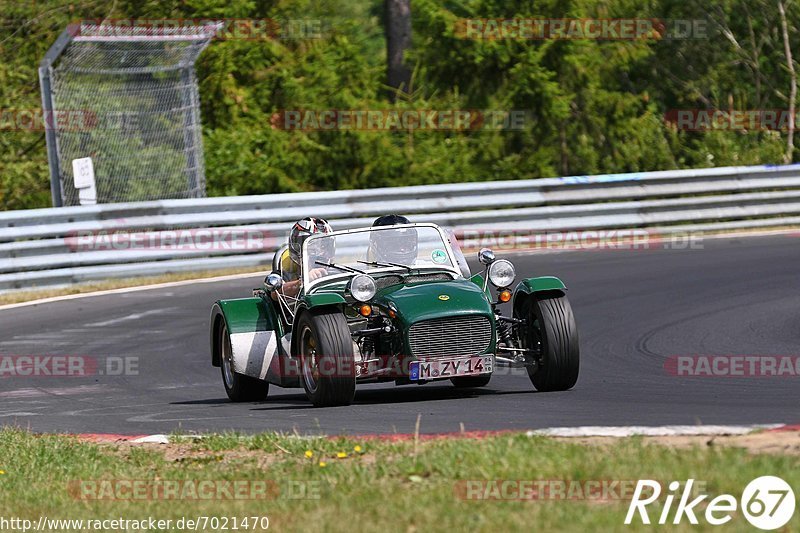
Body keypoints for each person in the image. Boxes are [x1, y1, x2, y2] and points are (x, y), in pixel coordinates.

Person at [273, 217, 333, 300]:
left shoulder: (335, 270)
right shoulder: (287, 272)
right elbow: (274, 294)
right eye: (309, 243)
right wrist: (302, 282)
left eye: (322, 244)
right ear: (296, 244)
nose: (316, 249)